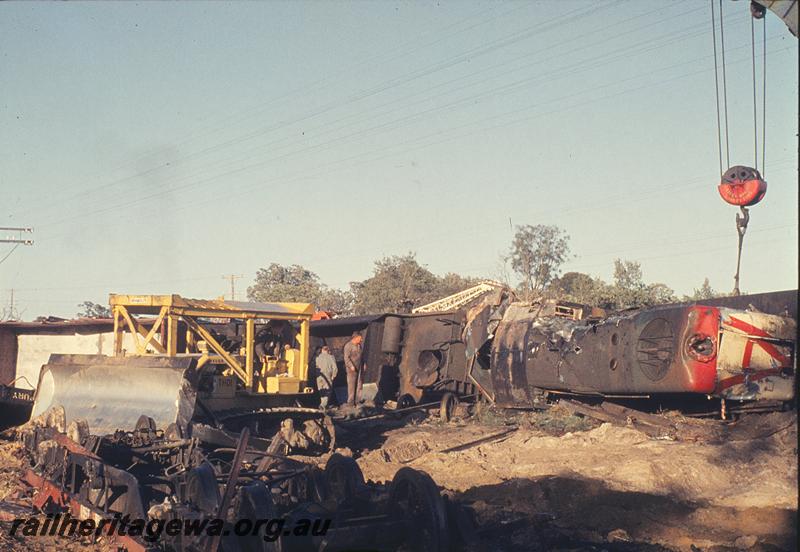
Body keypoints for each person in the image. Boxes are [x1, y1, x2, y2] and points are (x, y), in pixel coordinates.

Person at [343, 333, 364, 406]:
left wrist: (363, 364)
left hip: (359, 367)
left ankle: (358, 401)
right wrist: (351, 366)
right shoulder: (348, 346)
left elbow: (361, 356)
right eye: (360, 338)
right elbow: (346, 358)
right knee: (351, 386)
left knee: (359, 385)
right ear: (355, 337)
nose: (361, 340)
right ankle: (351, 402)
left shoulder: (359, 346)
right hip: (351, 370)